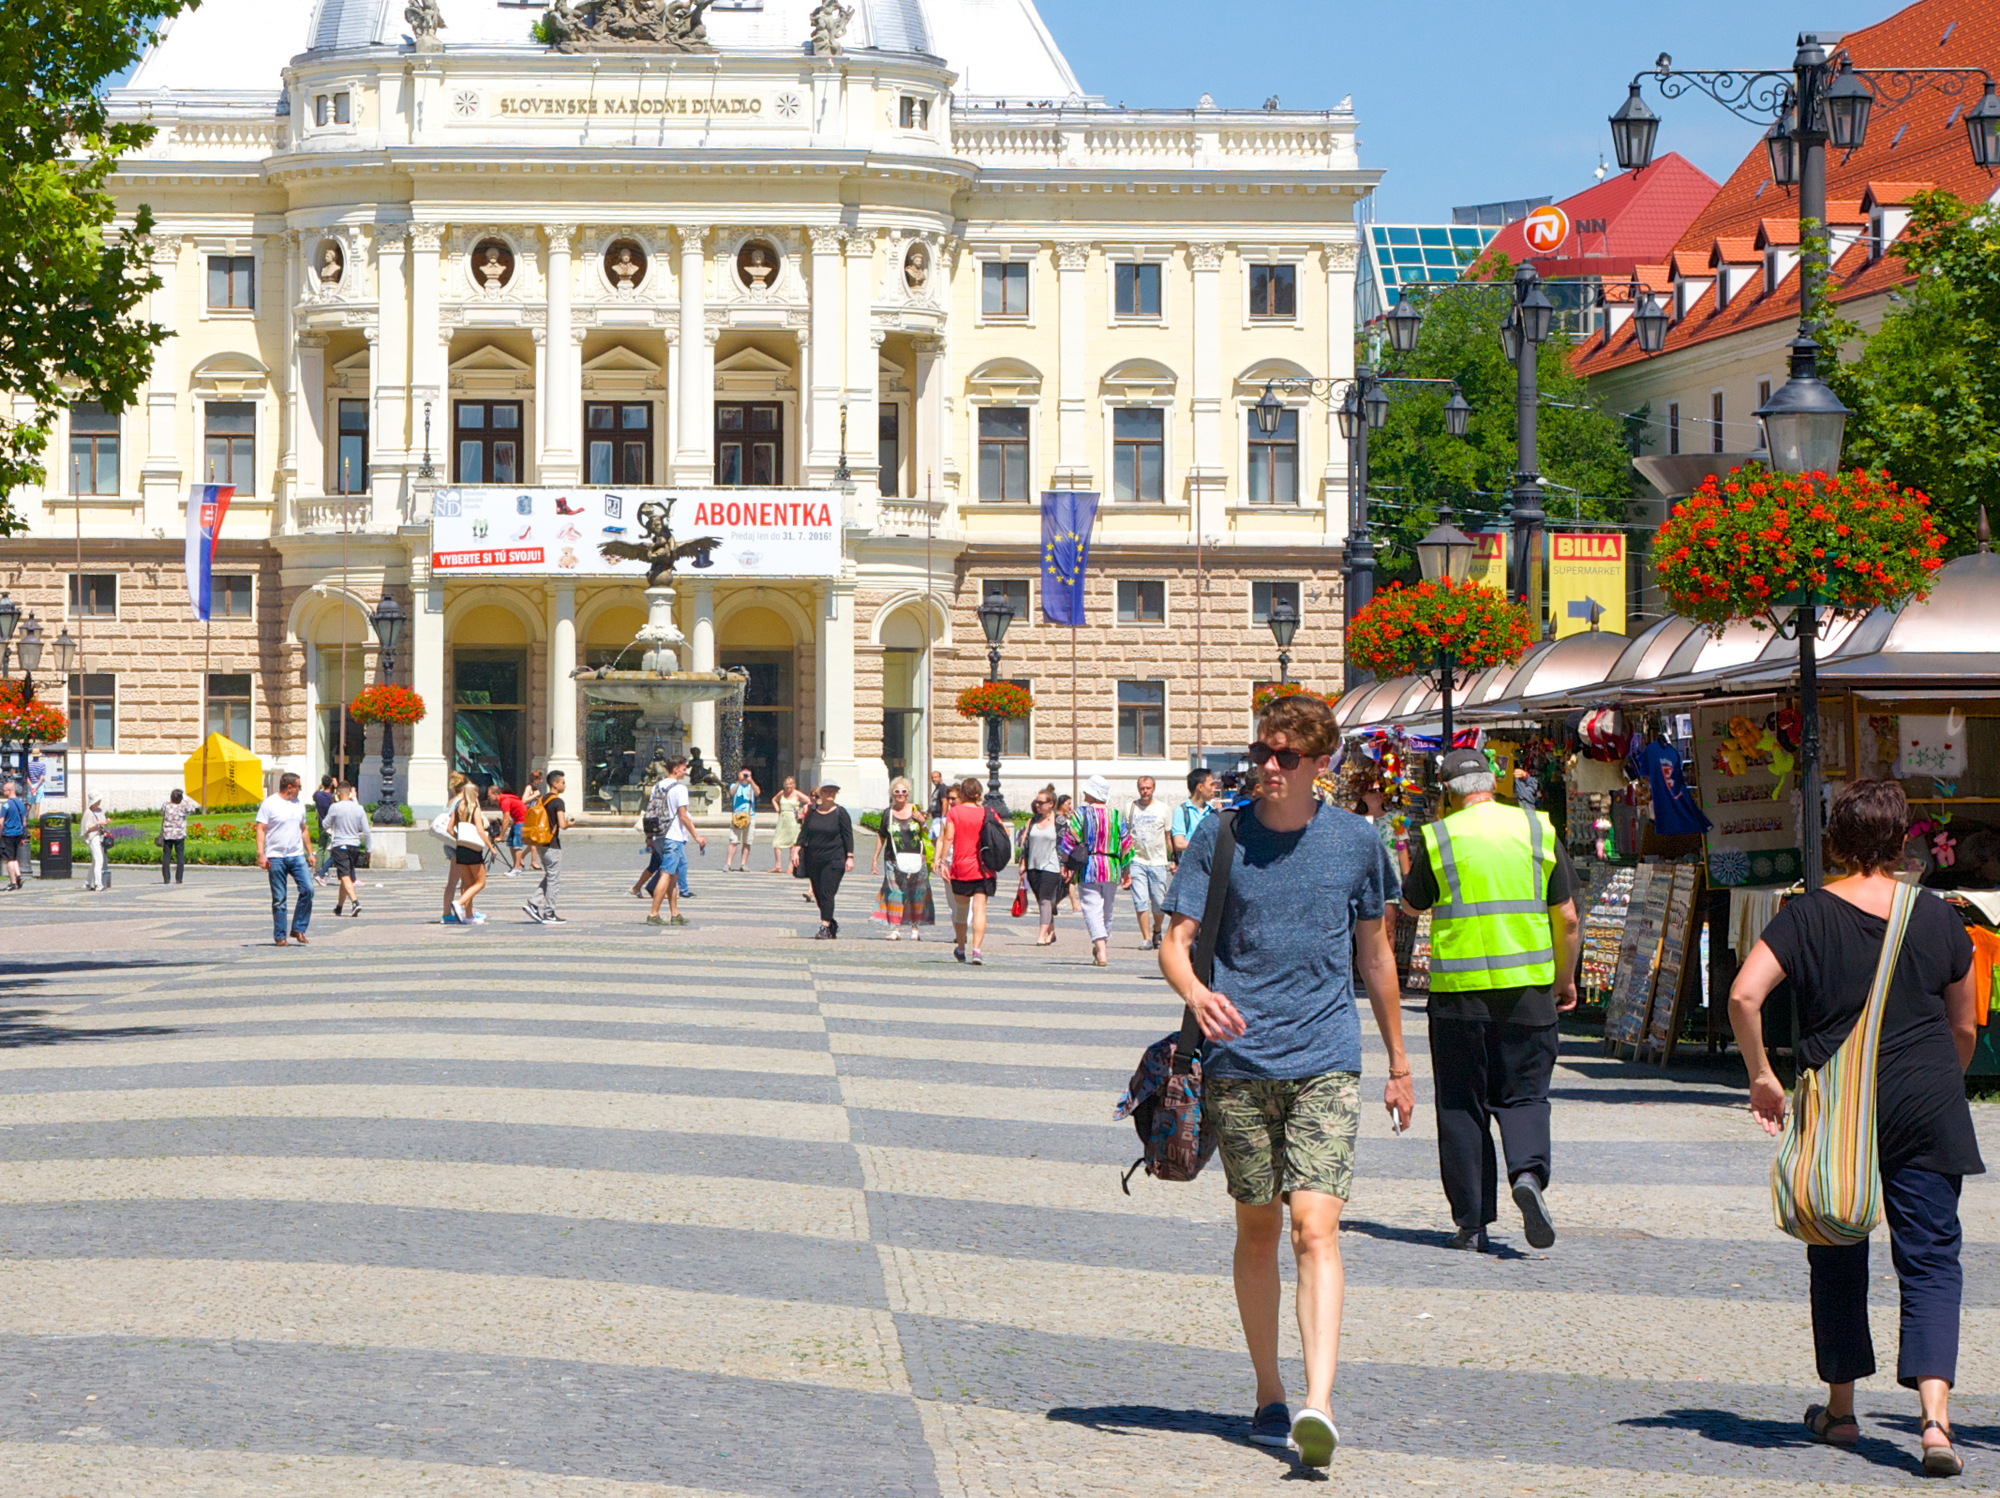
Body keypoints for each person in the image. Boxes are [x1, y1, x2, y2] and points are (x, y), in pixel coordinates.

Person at [1159, 691, 1414, 1468]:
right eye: (1261, 754)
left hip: (1327, 1060)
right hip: (1238, 1064)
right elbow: (1176, 939)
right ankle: (1269, 1389)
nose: (1269, 768)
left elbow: (1377, 958)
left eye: (1285, 757)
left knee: (1315, 1227)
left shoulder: (1357, 843)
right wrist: (1197, 994)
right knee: (1259, 1227)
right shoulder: (1221, 835)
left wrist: (1401, 1065)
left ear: (1320, 764)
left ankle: (1319, 1401)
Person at [1729, 778, 1981, 1478]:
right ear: (1903, 841)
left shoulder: (1805, 916)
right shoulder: (1937, 917)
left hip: (1842, 1107)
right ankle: (1934, 1423)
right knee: (1931, 1258)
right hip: (1927, 1103)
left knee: (1835, 1244)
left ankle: (1840, 1411)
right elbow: (1964, 1024)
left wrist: (1762, 1073)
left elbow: (1745, 995)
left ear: (1835, 841)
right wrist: (1939, 1081)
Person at [1399, 747, 1579, 1254]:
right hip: (1528, 992)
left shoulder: (1439, 838)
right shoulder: (1536, 829)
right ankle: (1527, 1174)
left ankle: (1471, 1223)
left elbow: (1413, 903)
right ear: (1493, 782)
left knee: (1462, 1104)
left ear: (1447, 793)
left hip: (1459, 997)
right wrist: (1564, 979)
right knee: (1524, 1094)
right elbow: (1566, 916)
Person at [1060, 775, 1134, 968]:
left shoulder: (1081, 813)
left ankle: (1100, 950)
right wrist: (1126, 870)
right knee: (1107, 911)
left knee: (1092, 908)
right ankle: (1102, 945)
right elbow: (1126, 844)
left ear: (1091, 793)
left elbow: (1070, 839)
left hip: (1089, 866)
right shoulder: (1116, 815)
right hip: (1111, 866)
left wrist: (1065, 864)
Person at [938, 776, 995, 964]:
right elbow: (1005, 833)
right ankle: (977, 950)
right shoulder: (987, 812)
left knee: (962, 910)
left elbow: (948, 838)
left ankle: (961, 948)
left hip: (960, 867)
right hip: (983, 867)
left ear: (963, 793)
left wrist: (943, 861)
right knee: (980, 909)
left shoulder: (954, 812)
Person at [255, 771, 316, 947]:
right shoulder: (270, 804)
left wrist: (310, 852)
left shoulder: (299, 804)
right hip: (276, 857)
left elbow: (303, 829)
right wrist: (261, 853)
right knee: (279, 898)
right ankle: (280, 935)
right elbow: (261, 829)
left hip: (296, 855)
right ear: (290, 787)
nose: (300, 790)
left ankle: (298, 928)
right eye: (299, 787)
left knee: (308, 890)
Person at [871, 777, 934, 938]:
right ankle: (895, 929)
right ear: (892, 794)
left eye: (904, 792)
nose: (900, 795)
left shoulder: (916, 809)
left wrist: (922, 821)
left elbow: (928, 833)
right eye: (897, 791)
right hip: (893, 859)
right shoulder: (888, 813)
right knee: (895, 893)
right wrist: (874, 859)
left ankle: (915, 929)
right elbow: (881, 836)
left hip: (916, 858)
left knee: (916, 894)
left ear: (908, 794)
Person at [646, 757, 705, 927]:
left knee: (673, 875)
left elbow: (650, 812)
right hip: (674, 836)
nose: (686, 772)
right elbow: (683, 816)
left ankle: (675, 913)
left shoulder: (657, 786)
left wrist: (649, 837)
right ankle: (654, 913)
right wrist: (696, 835)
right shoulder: (680, 789)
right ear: (676, 769)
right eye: (684, 769)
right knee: (666, 874)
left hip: (659, 835)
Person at [794, 783, 855, 938]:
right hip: (814, 859)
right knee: (819, 894)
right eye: (826, 791)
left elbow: (848, 836)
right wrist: (796, 849)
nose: (829, 794)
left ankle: (824, 926)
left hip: (834, 859)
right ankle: (831, 923)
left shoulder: (840, 813)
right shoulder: (813, 812)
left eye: (833, 791)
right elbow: (804, 833)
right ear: (819, 794)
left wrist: (849, 857)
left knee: (828, 893)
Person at [445, 777, 501, 925]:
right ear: (474, 793)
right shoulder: (474, 808)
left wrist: (459, 837)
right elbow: (480, 831)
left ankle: (468, 916)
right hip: (473, 848)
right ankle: (459, 903)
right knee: (480, 882)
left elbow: (449, 829)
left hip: (461, 847)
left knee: (467, 883)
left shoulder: (458, 808)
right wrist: (491, 846)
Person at [1126, 776, 1172, 950]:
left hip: (1158, 861)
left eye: (1148, 788)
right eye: (1142, 788)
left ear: (1153, 789)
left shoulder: (1163, 809)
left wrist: (1172, 858)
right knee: (1140, 900)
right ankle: (1145, 938)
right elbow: (1125, 836)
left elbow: (1168, 836)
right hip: (1137, 860)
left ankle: (1157, 930)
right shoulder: (1130, 808)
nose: (1145, 791)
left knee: (1159, 902)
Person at [523, 769, 572, 924]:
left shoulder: (543, 799)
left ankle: (533, 903)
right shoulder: (558, 802)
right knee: (553, 879)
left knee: (550, 876)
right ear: (555, 784)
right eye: (563, 782)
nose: (565, 785)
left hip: (541, 842)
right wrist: (570, 823)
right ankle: (549, 912)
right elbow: (562, 824)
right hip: (552, 844)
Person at [1018, 784, 1064, 946]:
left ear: (1050, 804)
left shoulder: (1060, 822)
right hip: (1033, 866)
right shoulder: (1033, 820)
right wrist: (1023, 863)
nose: (1037, 805)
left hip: (1052, 866)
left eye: (1041, 802)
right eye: (1036, 802)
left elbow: (1067, 844)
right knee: (1042, 901)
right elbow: (1026, 843)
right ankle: (1051, 932)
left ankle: (1041, 935)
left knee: (1045, 900)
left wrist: (1066, 864)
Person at [325, 781, 371, 918]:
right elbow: (366, 831)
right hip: (354, 845)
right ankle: (339, 907)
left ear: (338, 793)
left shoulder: (335, 807)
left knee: (344, 875)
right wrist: (368, 849)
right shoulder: (359, 808)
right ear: (350, 793)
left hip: (340, 844)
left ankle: (355, 902)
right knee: (347, 877)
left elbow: (325, 824)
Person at [1171, 768, 1216, 870]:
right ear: (1200, 787)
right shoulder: (1182, 811)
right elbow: (1179, 843)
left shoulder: (1212, 812)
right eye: (1211, 785)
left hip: (1210, 869)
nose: (1214, 789)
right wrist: (1206, 846)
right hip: (1189, 869)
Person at [769, 775, 807, 873]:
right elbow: (774, 800)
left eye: (790, 785)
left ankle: (791, 866)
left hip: (793, 820)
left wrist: (802, 811)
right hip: (783, 819)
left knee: (792, 843)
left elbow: (808, 801)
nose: (788, 787)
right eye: (787, 785)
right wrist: (777, 808)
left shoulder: (797, 794)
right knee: (777, 842)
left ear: (793, 785)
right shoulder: (782, 793)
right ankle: (778, 865)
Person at [726, 767, 760, 871]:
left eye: (747, 775)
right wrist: (738, 781)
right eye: (744, 775)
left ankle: (743, 863)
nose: (745, 777)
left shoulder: (751, 786)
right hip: (737, 815)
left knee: (747, 841)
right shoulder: (735, 785)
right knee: (733, 841)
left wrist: (751, 781)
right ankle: (728, 863)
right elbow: (731, 793)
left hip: (749, 816)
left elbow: (758, 792)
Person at [495, 783, 528, 876]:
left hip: (521, 821)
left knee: (517, 844)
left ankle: (517, 868)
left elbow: (506, 820)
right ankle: (515, 866)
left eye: (489, 796)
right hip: (517, 821)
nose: (488, 798)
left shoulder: (505, 801)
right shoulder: (505, 799)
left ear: (495, 794)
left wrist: (500, 836)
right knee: (511, 843)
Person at [311, 774, 337, 885]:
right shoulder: (332, 797)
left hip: (321, 823)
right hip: (331, 825)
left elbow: (313, 795)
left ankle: (318, 868)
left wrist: (319, 787)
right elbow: (339, 798)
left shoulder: (318, 795)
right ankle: (324, 870)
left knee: (321, 847)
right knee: (328, 848)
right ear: (331, 783)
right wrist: (336, 786)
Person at [82, 796, 111, 891]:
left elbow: (102, 822)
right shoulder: (88, 813)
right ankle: (98, 884)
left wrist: (105, 822)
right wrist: (98, 823)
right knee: (99, 860)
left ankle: (87, 882)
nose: (99, 802)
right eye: (97, 801)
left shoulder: (99, 810)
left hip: (100, 837)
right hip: (93, 838)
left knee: (95, 861)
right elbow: (88, 827)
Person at [160, 789, 188, 885]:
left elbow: (162, 812)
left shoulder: (166, 805)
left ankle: (166, 878)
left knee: (166, 856)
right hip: (179, 834)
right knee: (180, 856)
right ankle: (179, 879)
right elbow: (191, 809)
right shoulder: (183, 806)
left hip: (168, 833)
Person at [0, 779, 23, 891]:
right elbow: (24, 820)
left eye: (4, 790)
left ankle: (13, 882)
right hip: (18, 833)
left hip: (8, 834)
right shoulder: (21, 803)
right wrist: (23, 835)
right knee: (14, 857)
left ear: (9, 791)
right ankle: (18, 875)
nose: (3, 792)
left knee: (9, 859)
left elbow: (1, 822)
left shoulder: (6, 805)